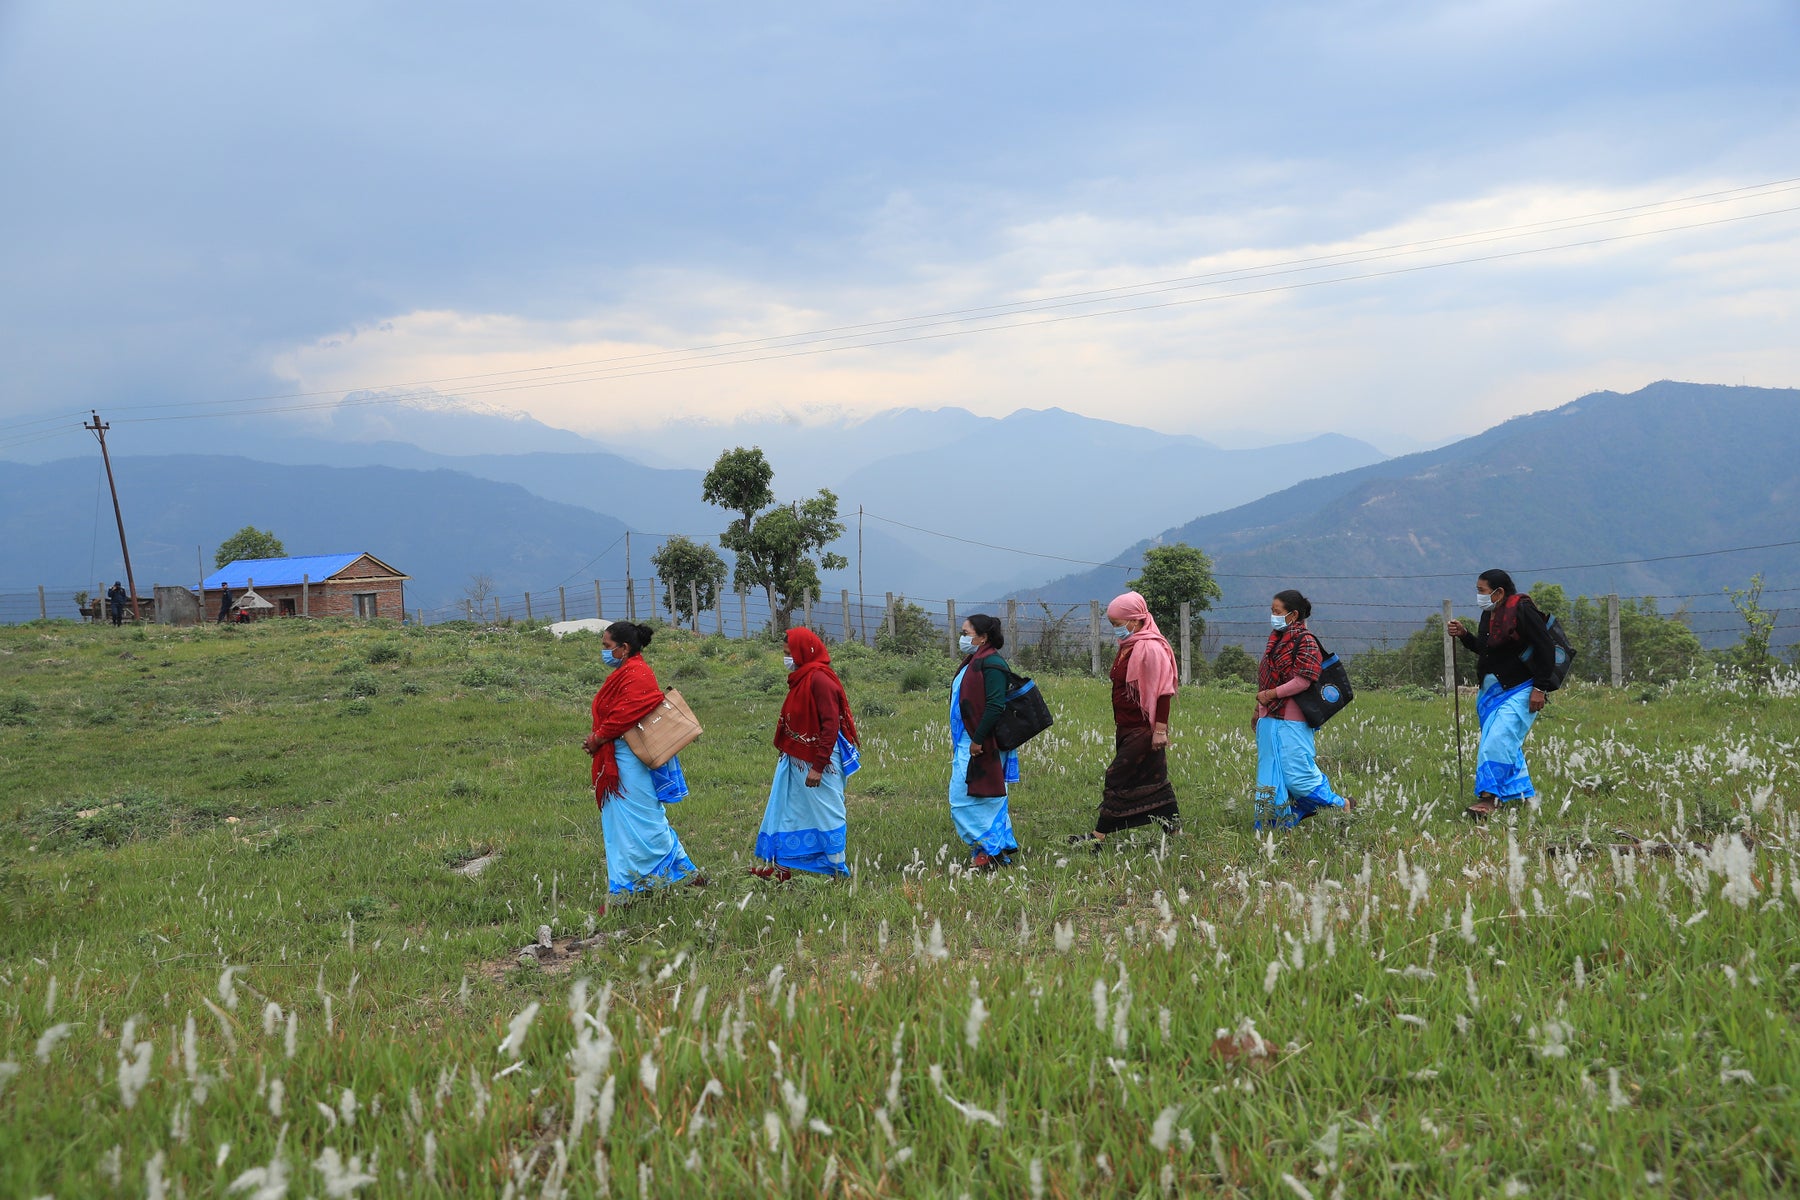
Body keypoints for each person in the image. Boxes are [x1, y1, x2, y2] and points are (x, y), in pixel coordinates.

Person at [582, 621, 703, 897]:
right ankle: (682, 875)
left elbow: (625, 715)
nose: (603, 651)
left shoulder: (637, 674)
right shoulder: (629, 671)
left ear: (624, 648)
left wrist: (598, 738)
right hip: (622, 757)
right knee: (631, 823)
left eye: (606, 646)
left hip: (628, 760)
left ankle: (627, 891)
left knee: (642, 821)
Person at [1446, 569, 1557, 819]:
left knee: (1496, 740)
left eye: (1481, 591)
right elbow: (1486, 651)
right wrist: (1464, 635)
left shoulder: (1522, 611)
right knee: (1506, 742)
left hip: (1521, 688)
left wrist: (1540, 688)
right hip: (1491, 691)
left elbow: (1546, 648)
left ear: (1499, 592)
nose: (1478, 596)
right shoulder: (1489, 614)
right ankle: (1522, 793)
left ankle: (1489, 799)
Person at [1071, 590, 1178, 845]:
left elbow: (1163, 691)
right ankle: (1173, 830)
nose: (1116, 630)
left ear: (1136, 620)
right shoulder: (1128, 646)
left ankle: (1098, 837)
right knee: (1153, 778)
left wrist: (1160, 730)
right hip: (1127, 725)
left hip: (1143, 727)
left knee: (1117, 776)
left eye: (1118, 625)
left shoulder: (1150, 648)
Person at [754, 627, 859, 880]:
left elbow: (830, 725)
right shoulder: (803, 677)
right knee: (793, 808)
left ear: (801, 652)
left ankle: (836, 867)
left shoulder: (820, 680)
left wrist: (818, 766)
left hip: (819, 760)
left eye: (788, 653)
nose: (786, 659)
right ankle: (785, 864)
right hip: (799, 759)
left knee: (827, 810)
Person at [1253, 590, 1354, 828]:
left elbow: (1304, 679)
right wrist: (1259, 710)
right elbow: (1268, 679)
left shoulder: (1305, 641)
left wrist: (1270, 695)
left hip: (1293, 718)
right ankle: (1274, 826)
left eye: (1277, 612)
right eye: (1272, 611)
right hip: (1270, 717)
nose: (1273, 616)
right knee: (1270, 775)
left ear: (1293, 615)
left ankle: (1340, 804)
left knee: (1298, 777)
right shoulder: (1276, 639)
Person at [947, 613, 1020, 869]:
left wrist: (977, 740)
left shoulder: (992, 664)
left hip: (981, 742)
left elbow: (995, 705)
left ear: (983, 637)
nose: (962, 638)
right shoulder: (973, 661)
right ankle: (996, 848)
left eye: (966, 633)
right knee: (984, 797)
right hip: (970, 739)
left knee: (964, 798)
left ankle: (991, 851)